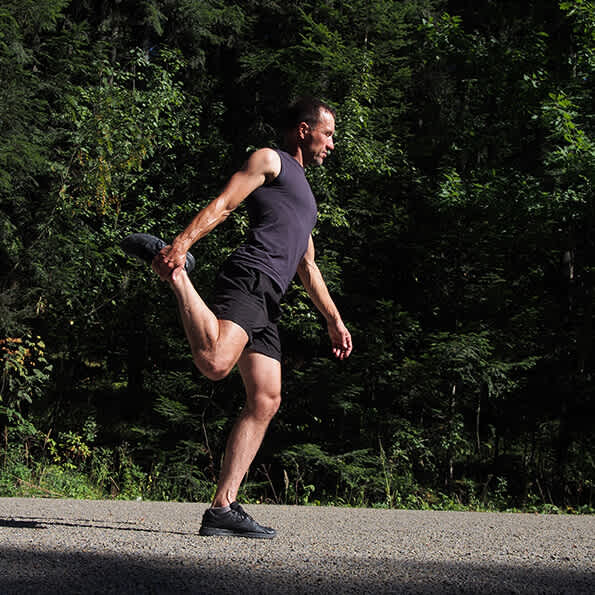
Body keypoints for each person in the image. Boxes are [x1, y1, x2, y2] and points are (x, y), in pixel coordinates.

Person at [121, 97, 352, 538]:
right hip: (249, 276)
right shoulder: (271, 160)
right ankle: (176, 276)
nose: (332, 144)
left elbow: (308, 267)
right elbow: (225, 203)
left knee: (266, 399)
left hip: (271, 298)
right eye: (328, 134)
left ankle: (223, 507)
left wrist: (333, 320)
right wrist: (180, 245)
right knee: (215, 364)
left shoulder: (307, 200)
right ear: (304, 130)